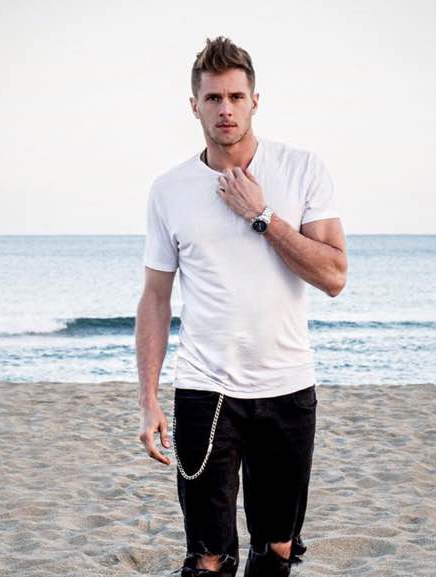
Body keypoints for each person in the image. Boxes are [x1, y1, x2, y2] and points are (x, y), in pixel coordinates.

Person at [136, 36, 347, 577]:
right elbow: (156, 298)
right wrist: (148, 400)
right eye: (213, 98)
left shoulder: (302, 170)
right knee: (207, 556)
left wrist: (263, 217)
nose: (225, 109)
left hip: (287, 386)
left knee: (277, 548)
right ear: (194, 105)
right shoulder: (169, 190)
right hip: (205, 391)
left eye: (235, 97)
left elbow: (334, 276)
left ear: (255, 101)